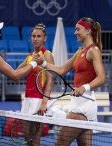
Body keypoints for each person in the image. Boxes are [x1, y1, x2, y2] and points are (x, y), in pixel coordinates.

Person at [40, 17, 105, 146]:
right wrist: (43, 62)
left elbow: (102, 78)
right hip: (78, 104)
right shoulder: (79, 52)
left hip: (84, 106)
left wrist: (84, 88)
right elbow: (61, 70)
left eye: (78, 29)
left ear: (88, 31)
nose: (75, 32)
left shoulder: (94, 51)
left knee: (60, 144)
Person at [17, 23, 54, 146]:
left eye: (39, 36)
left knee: (35, 138)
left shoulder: (47, 54)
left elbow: (50, 80)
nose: (35, 38)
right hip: (27, 99)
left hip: (38, 100)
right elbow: (17, 72)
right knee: (27, 136)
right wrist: (30, 61)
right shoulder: (29, 56)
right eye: (33, 36)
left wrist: (44, 102)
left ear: (45, 38)